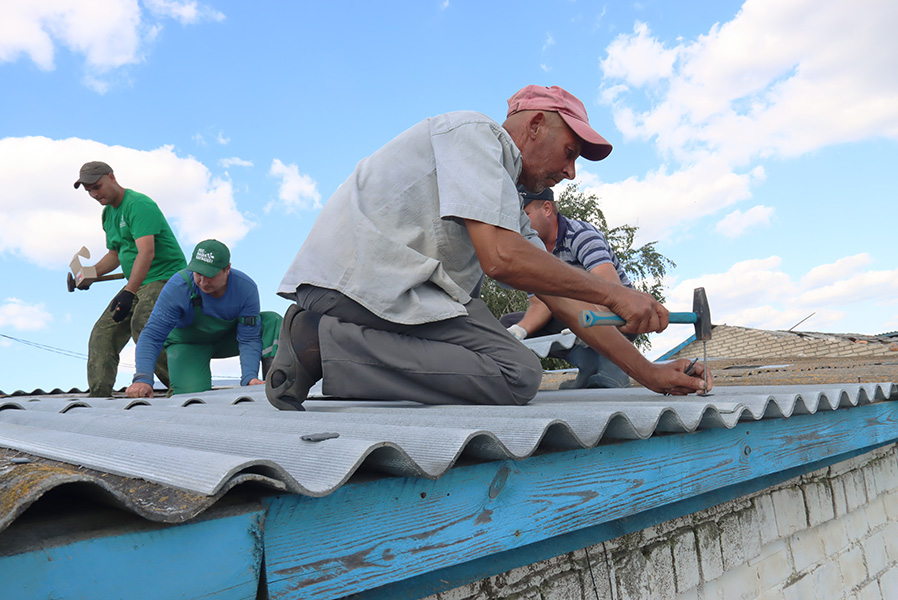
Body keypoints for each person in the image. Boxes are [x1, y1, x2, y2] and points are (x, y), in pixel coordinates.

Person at [267, 84, 711, 410]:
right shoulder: (474, 133)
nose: (571, 172)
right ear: (536, 125)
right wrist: (615, 293)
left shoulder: (506, 200)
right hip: (354, 283)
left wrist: (650, 374)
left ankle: (332, 348)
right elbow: (500, 260)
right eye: (570, 151)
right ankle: (318, 341)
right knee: (515, 373)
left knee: (516, 372)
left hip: (408, 294)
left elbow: (566, 300)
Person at [501, 186, 635, 390]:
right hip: (573, 317)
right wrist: (519, 331)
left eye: (525, 215)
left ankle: (613, 368)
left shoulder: (580, 235)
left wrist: (584, 320)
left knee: (617, 307)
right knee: (507, 324)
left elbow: (612, 291)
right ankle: (588, 366)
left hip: (612, 314)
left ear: (547, 208)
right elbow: (540, 304)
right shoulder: (531, 251)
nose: (520, 224)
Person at [75, 161, 186, 397]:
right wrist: (90, 274)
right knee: (102, 334)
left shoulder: (139, 204)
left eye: (97, 187)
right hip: (137, 284)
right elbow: (115, 254)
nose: (95, 194)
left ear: (112, 177)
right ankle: (98, 396)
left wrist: (129, 291)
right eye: (89, 191)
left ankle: (181, 386)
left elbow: (147, 252)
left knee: (143, 325)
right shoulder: (108, 214)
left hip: (166, 280)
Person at [126, 239, 281, 398]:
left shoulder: (246, 288)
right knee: (193, 401)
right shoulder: (179, 286)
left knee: (272, 321)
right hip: (188, 345)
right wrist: (143, 378)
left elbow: (249, 338)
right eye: (198, 273)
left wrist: (250, 378)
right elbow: (152, 335)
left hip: (226, 339)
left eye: (210, 275)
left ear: (227, 269)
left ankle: (276, 385)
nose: (203, 282)